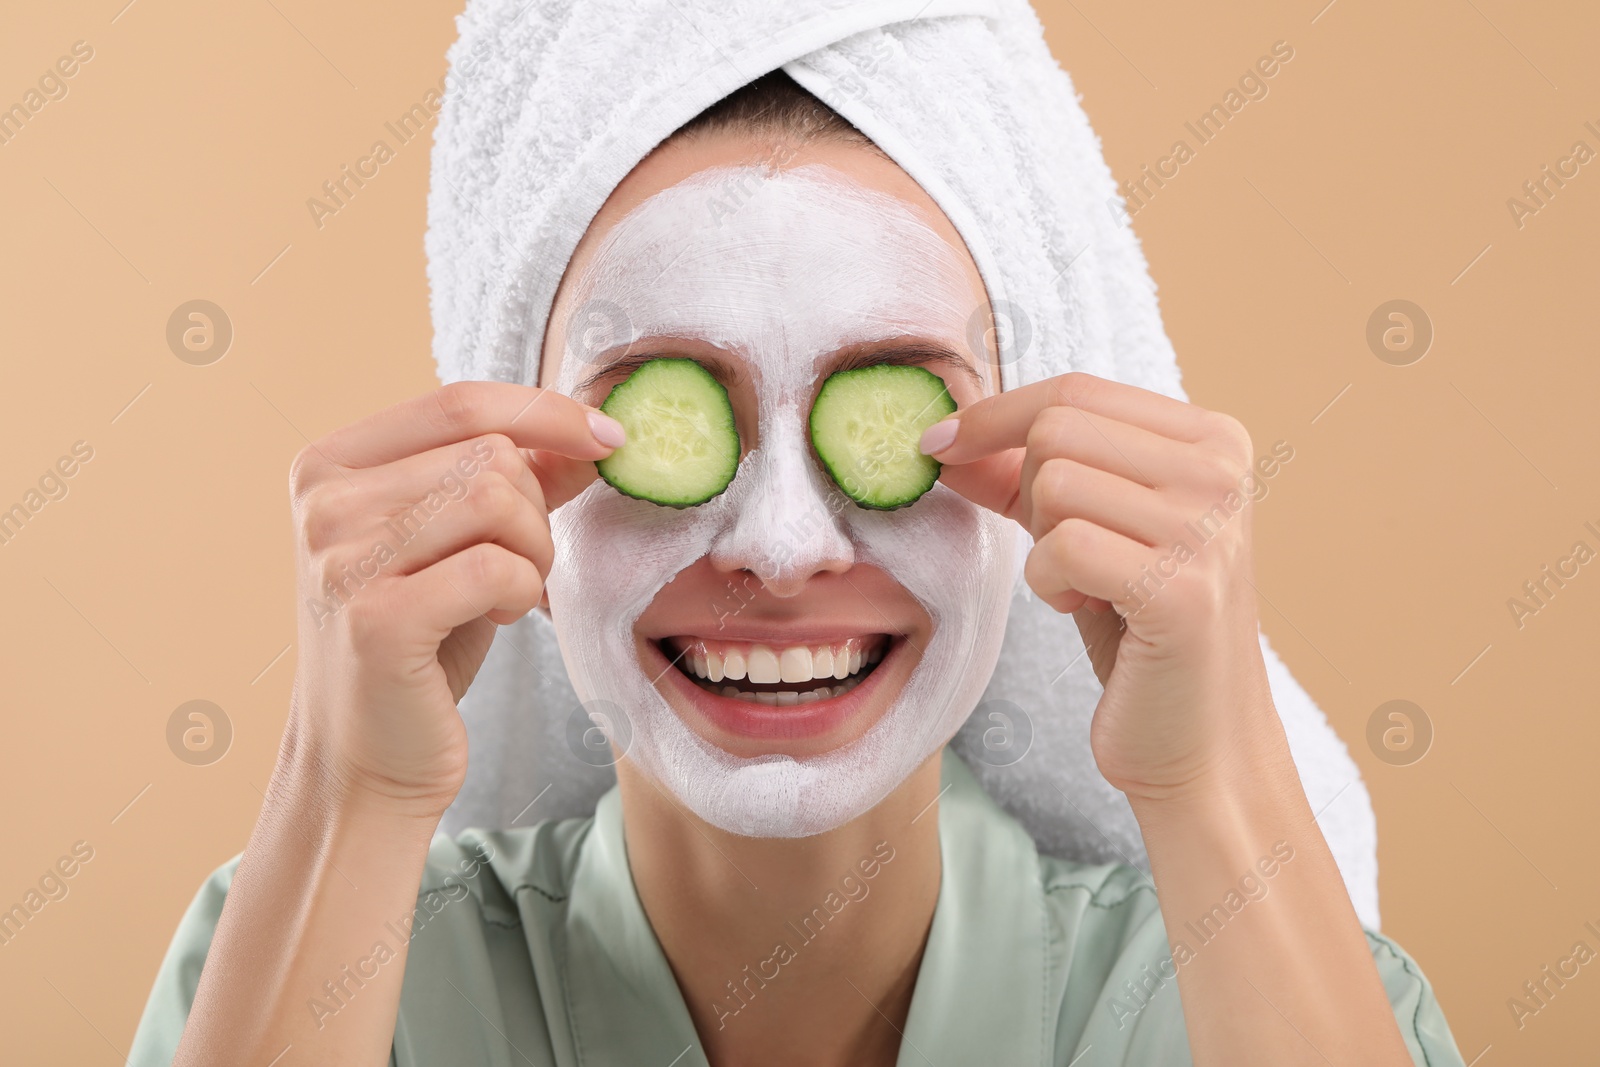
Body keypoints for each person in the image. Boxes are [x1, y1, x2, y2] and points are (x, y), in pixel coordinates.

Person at [129, 17, 1467, 1067]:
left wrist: (1217, 775)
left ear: (1036, 470)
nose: (776, 545)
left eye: (890, 398)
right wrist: (342, 787)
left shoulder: (1249, 998)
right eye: (663, 403)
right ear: (514, 472)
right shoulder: (301, 972)